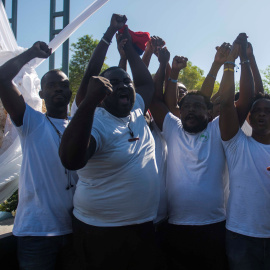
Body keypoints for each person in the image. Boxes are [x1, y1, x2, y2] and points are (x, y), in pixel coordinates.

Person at [59, 14, 162, 270]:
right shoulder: (96, 120)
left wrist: (127, 47)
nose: (122, 86)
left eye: (126, 82)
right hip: (101, 234)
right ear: (101, 93)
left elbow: (145, 82)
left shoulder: (137, 108)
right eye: (113, 83)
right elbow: (71, 159)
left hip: (144, 228)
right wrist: (90, 102)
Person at [150, 33, 254, 269]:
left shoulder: (219, 129)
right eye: (186, 106)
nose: (191, 111)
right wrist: (163, 67)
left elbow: (243, 101)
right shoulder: (173, 128)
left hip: (215, 226)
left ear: (209, 114)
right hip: (174, 225)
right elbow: (155, 98)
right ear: (179, 111)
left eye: (198, 106)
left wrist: (240, 61)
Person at [0, 42, 78, 269]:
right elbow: (3, 79)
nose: (58, 89)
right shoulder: (32, 121)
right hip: (36, 232)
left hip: (75, 229)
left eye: (63, 85)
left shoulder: (79, 127)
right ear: (42, 93)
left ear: (70, 92)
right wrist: (31, 54)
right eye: (51, 86)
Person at [219, 35, 270, 270]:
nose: (261, 114)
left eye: (267, 111)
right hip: (241, 237)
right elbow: (230, 103)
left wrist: (249, 58)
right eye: (256, 111)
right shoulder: (237, 144)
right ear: (248, 117)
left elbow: (258, 93)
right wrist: (235, 61)